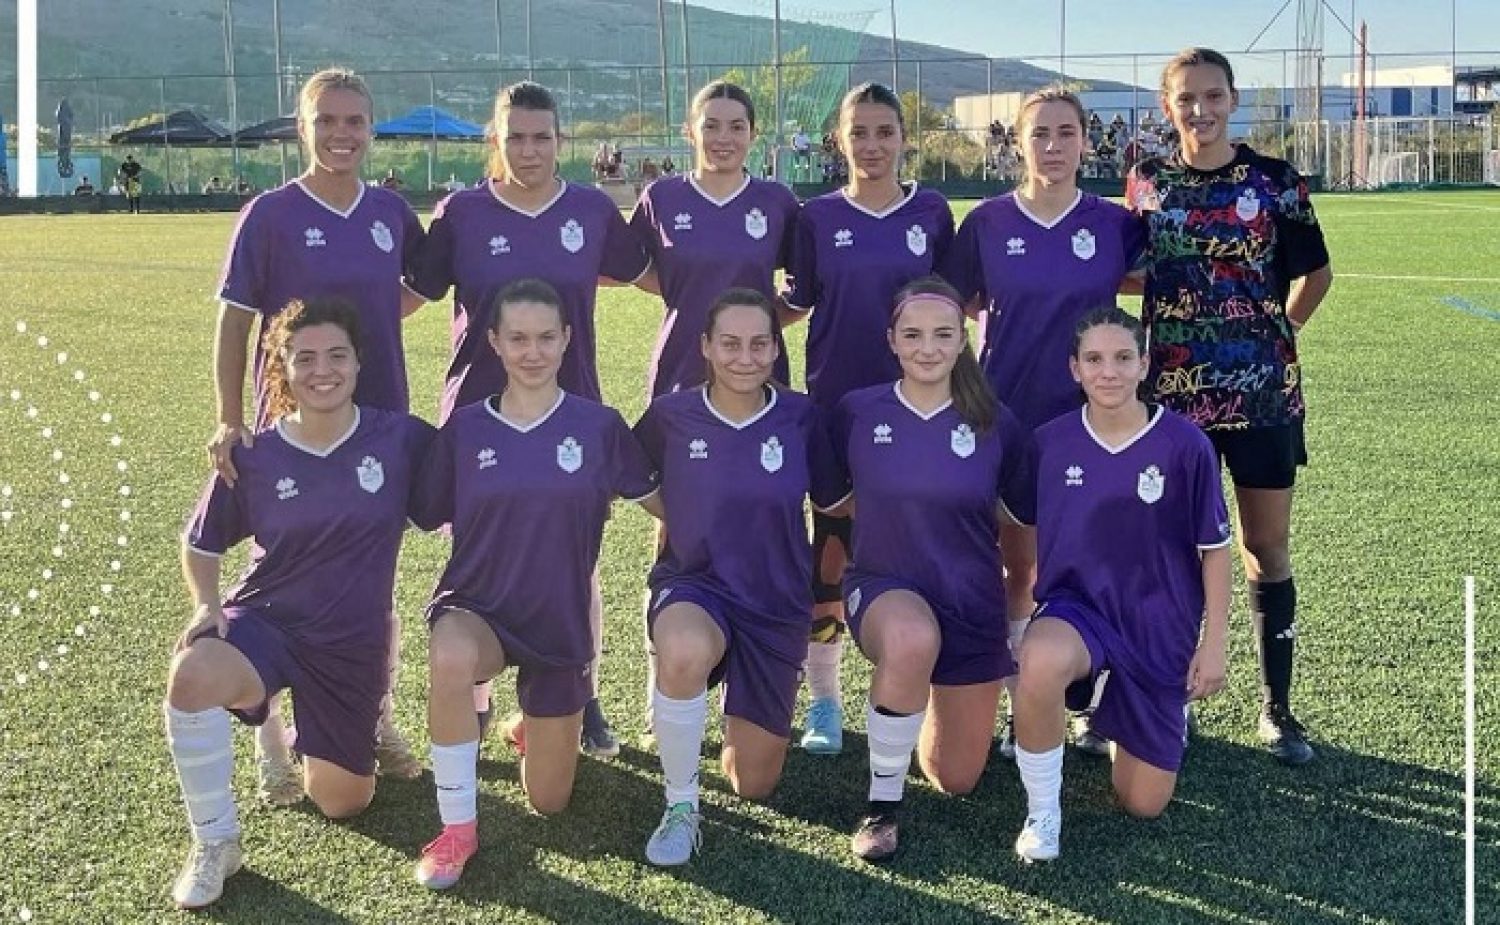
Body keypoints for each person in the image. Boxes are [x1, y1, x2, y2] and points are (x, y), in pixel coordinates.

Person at [166, 297, 436, 908]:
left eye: (337, 355)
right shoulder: (254, 453)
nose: (323, 370)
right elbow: (200, 542)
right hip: (268, 620)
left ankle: (312, 723)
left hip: (350, 642)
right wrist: (206, 604)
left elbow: (464, 483)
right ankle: (216, 840)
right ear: (282, 369)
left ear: (359, 362)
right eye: (305, 358)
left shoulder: (400, 438)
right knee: (193, 670)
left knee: (343, 802)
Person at [409, 80, 650, 755]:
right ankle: (477, 697)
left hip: (570, 412)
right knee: (475, 556)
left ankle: (582, 692)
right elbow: (406, 293)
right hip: (477, 416)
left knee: (578, 557)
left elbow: (649, 275)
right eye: (515, 136)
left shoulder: (590, 210)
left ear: (560, 141)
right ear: (496, 140)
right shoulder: (462, 212)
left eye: (542, 137)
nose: (530, 149)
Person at [211, 67, 429, 796]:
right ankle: (270, 742)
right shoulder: (269, 214)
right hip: (291, 428)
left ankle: (375, 716)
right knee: (280, 575)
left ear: (371, 128)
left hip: (377, 430)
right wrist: (230, 416)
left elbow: (415, 289)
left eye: (354, 121)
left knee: (373, 581)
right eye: (326, 120)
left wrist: (363, 339)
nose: (341, 134)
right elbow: (235, 321)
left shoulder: (390, 212)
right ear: (302, 128)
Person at [409, 279, 658, 889]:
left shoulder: (599, 427)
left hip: (558, 626)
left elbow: (665, 502)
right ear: (493, 342)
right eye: (517, 338)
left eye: (547, 337)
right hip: (478, 610)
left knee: (549, 801)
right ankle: (456, 829)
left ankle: (533, 724)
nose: (533, 352)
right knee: (450, 653)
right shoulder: (466, 430)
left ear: (568, 339)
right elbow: (415, 509)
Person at [1126, 47, 1333, 766]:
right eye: (1186, 98)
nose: (1201, 110)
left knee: (1263, 546)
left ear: (1233, 100)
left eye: (1213, 95)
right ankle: (1170, 699)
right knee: (1173, 549)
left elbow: (1316, 273)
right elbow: (1131, 270)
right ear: (1167, 107)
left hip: (1262, 396)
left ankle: (1277, 708)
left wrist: (1279, 334)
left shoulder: (1275, 181)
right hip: (1172, 400)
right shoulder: (1148, 182)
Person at [941, 85, 1146, 757]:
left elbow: (1158, 285)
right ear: (1018, 144)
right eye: (1040, 134)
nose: (1053, 147)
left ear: (1086, 142)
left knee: (1098, 563)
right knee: (1021, 571)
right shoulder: (987, 223)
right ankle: (1022, 706)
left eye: (1066, 133)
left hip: (1097, 423)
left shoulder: (1115, 224)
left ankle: (1101, 704)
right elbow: (951, 307)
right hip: (1009, 417)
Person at [1012, 306, 1232, 862]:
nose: (1107, 372)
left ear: (1144, 365)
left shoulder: (1185, 445)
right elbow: (1018, 529)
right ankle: (1043, 812)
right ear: (1074, 369)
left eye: (1122, 358)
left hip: (1159, 625)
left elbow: (1215, 551)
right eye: (1093, 360)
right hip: (1077, 610)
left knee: (1142, 803)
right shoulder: (1049, 443)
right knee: (1039, 658)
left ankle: (1126, 706)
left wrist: (1214, 646)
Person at [829, 276, 1036, 862]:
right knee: (910, 637)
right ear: (891, 339)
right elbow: (835, 501)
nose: (928, 348)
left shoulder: (995, 421)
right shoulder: (857, 412)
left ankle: (908, 703)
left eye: (943, 334)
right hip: (883, 583)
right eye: (913, 334)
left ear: (963, 340)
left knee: (955, 778)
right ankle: (881, 805)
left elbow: (1017, 515)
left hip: (970, 601)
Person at [634, 288, 843, 866]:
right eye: (729, 343)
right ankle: (680, 807)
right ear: (705, 346)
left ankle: (739, 691)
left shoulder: (802, 417)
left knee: (752, 783)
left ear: (776, 349)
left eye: (758, 344)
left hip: (776, 601)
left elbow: (835, 503)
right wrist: (682, 514)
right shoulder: (671, 416)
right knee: (683, 647)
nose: (744, 357)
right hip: (695, 585)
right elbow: (626, 472)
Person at [783, 82, 955, 756]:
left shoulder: (932, 212)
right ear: (840, 139)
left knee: (924, 547)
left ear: (904, 138)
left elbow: (953, 309)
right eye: (859, 132)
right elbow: (797, 301)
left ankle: (921, 691)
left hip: (922, 411)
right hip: (836, 408)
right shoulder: (817, 217)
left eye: (885, 132)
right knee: (831, 548)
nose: (873, 145)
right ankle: (824, 700)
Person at [629, 79, 800, 399]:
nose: (724, 138)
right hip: (681, 365)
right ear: (689, 132)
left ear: (753, 134)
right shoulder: (661, 197)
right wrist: (685, 292)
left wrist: (752, 323)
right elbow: (631, 266)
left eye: (737, 127)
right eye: (711, 126)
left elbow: (802, 287)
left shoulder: (777, 201)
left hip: (757, 368)